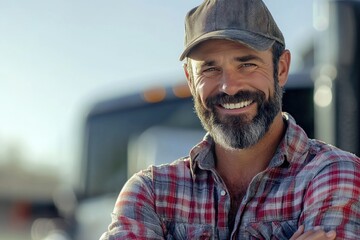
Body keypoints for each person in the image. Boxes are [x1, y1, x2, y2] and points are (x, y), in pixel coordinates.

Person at [100, 0, 360, 239]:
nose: (229, 87)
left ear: (281, 69)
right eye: (210, 69)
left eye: (247, 64)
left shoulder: (336, 174)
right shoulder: (150, 193)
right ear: (191, 81)